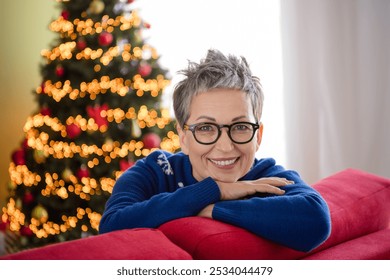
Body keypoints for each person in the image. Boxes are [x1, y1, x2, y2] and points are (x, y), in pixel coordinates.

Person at [99, 49, 331, 252]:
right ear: (183, 137)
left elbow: (316, 219)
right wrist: (214, 190)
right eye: (206, 128)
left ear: (258, 136)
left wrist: (215, 209)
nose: (225, 146)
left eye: (240, 127)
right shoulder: (156, 170)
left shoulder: (268, 178)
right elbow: (111, 226)